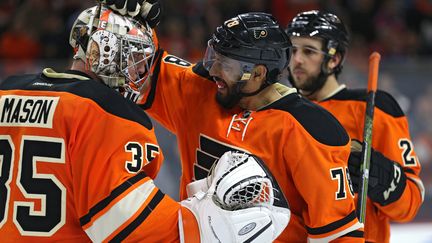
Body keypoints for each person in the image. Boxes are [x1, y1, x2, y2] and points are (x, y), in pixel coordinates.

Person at [0, 5, 291, 242]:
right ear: (104, 51)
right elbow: (126, 224)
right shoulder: (106, 111)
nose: (142, 70)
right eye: (137, 57)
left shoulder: (7, 91)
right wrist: (206, 223)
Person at [108, 0, 365, 240]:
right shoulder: (199, 89)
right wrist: (132, 24)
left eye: (226, 64)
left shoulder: (311, 130)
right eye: (213, 57)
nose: (213, 70)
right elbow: (136, 68)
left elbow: (337, 235)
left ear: (258, 73)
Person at [285, 10, 424, 242]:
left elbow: (411, 202)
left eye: (308, 51)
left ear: (334, 59)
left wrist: (380, 173)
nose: (297, 59)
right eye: (293, 50)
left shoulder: (374, 108)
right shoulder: (280, 112)